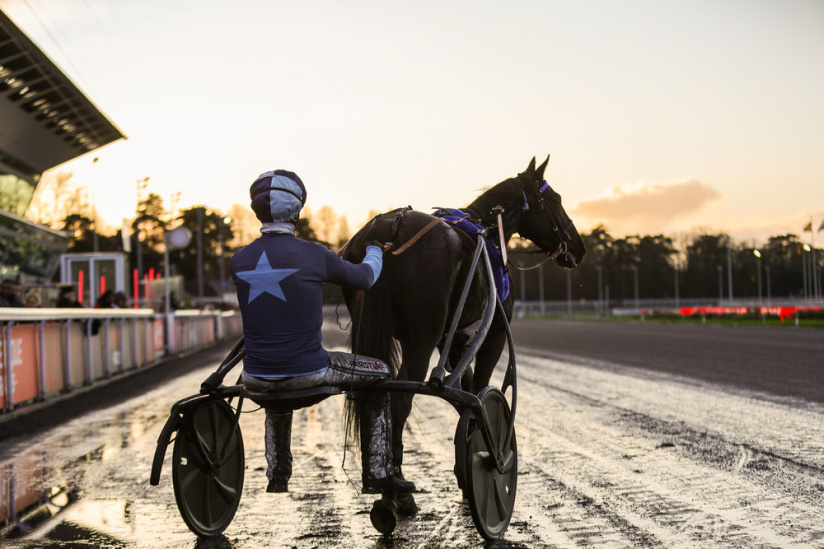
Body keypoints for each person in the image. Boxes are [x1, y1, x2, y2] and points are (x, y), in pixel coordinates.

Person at [232, 169, 414, 495]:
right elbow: (366, 278)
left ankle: (278, 473)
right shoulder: (314, 254)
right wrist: (374, 249)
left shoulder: (239, 259)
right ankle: (377, 472)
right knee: (381, 371)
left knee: (275, 389)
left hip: (254, 379)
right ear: (297, 210)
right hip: (310, 374)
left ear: (256, 210)